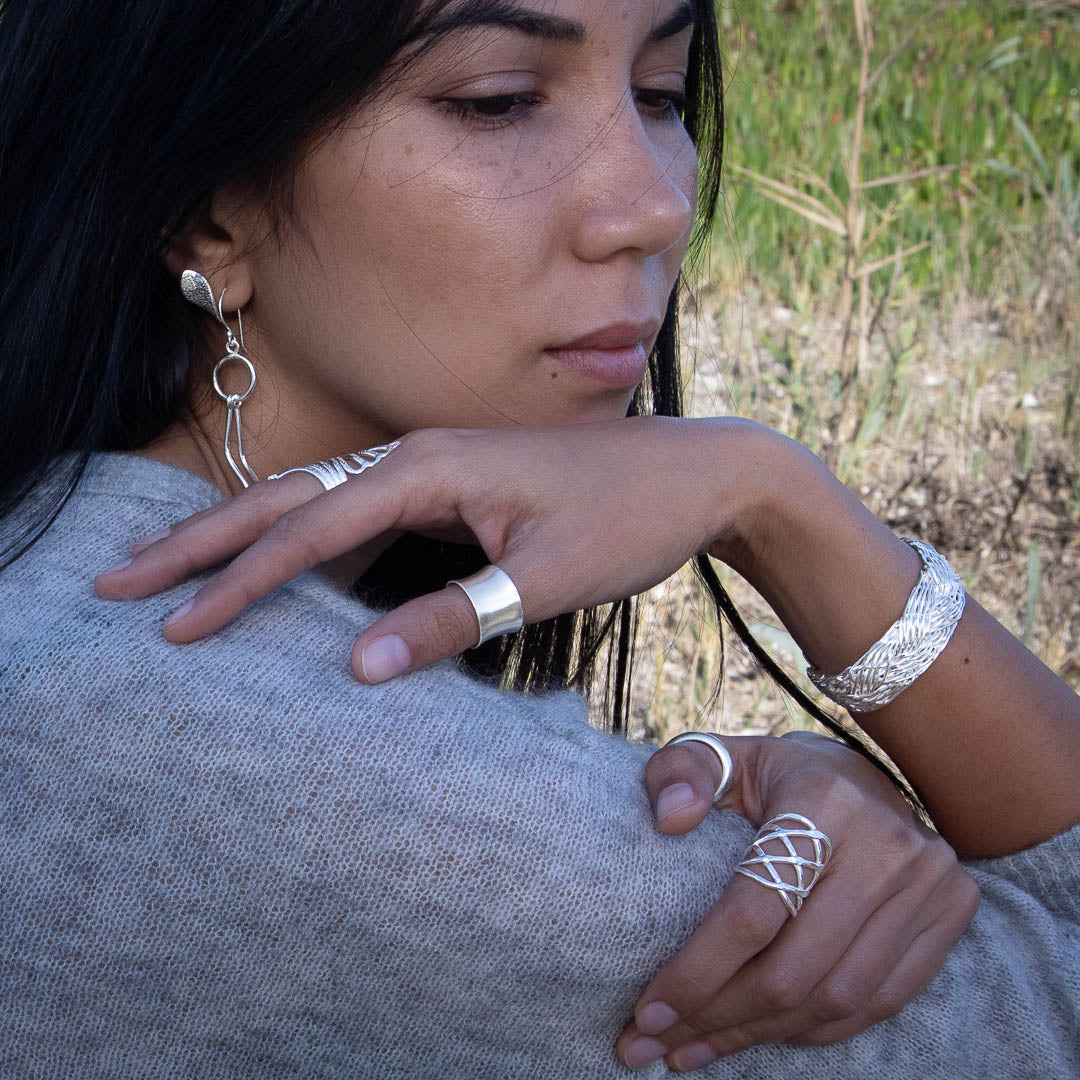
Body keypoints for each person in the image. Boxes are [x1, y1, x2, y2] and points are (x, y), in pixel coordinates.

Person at [1, 0, 1077, 1077]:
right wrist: (784, 507)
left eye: (659, 94)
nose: (652, 207)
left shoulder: (65, 593)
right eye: (499, 102)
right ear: (208, 213)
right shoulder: (319, 781)